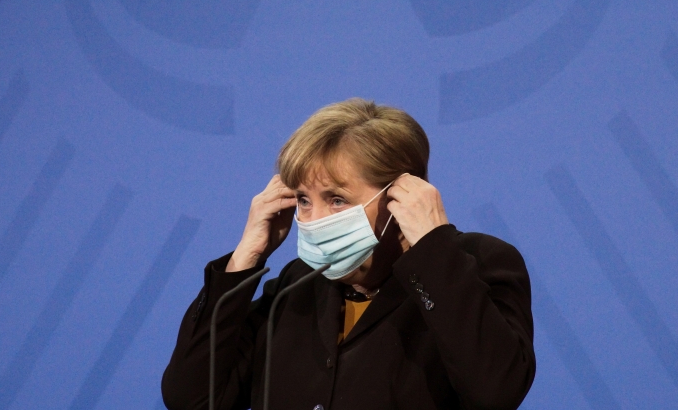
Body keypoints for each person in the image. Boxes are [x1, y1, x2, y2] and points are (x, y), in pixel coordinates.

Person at [161, 99, 535, 410]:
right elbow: (191, 400)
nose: (313, 220)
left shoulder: (478, 264)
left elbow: (495, 394)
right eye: (304, 200)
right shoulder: (297, 285)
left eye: (336, 200)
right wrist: (244, 261)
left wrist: (435, 251)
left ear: (400, 195)